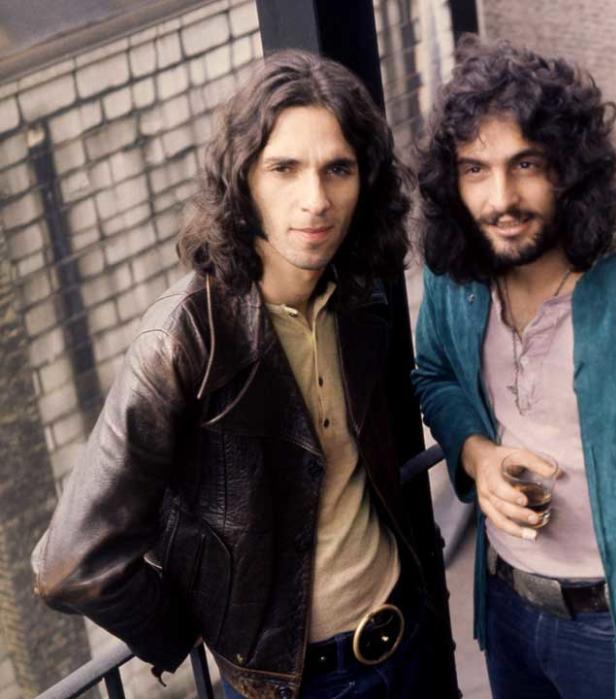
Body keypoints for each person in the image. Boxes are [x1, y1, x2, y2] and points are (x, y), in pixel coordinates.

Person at [32, 50, 458, 698]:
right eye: (284, 167)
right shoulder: (183, 338)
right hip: (292, 683)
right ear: (243, 178)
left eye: (337, 169)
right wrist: (191, 628)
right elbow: (69, 561)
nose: (315, 199)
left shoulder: (359, 294)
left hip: (410, 638)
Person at [410, 38, 616, 698]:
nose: (499, 197)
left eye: (524, 163)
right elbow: (433, 373)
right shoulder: (458, 275)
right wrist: (477, 454)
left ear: (569, 165)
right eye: (474, 169)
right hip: (506, 606)